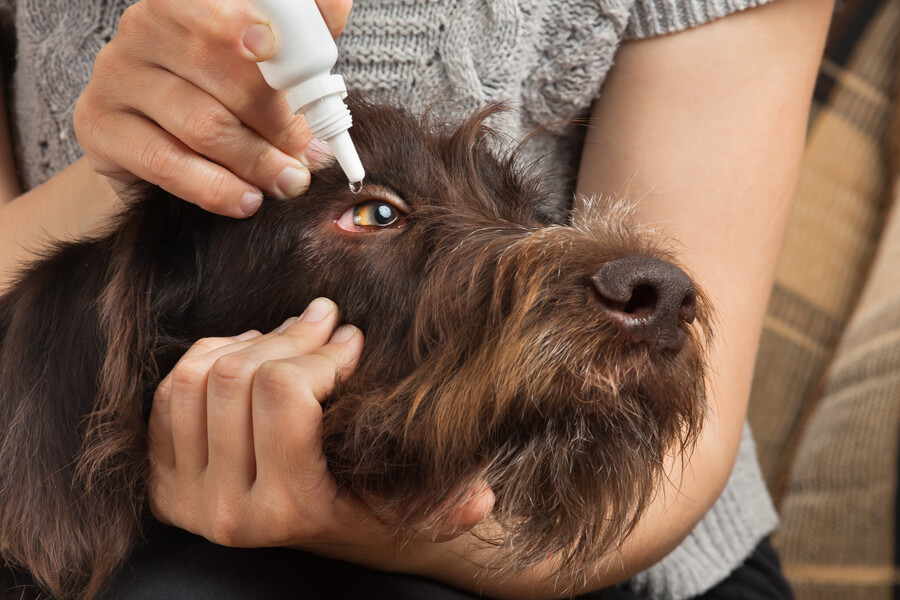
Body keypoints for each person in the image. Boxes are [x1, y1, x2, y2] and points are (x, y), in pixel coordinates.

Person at [0, 0, 832, 597]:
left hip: (614, 559)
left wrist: (372, 524)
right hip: (97, 487)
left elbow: (671, 474)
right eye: (373, 213)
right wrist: (130, 166)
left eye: (530, 218)